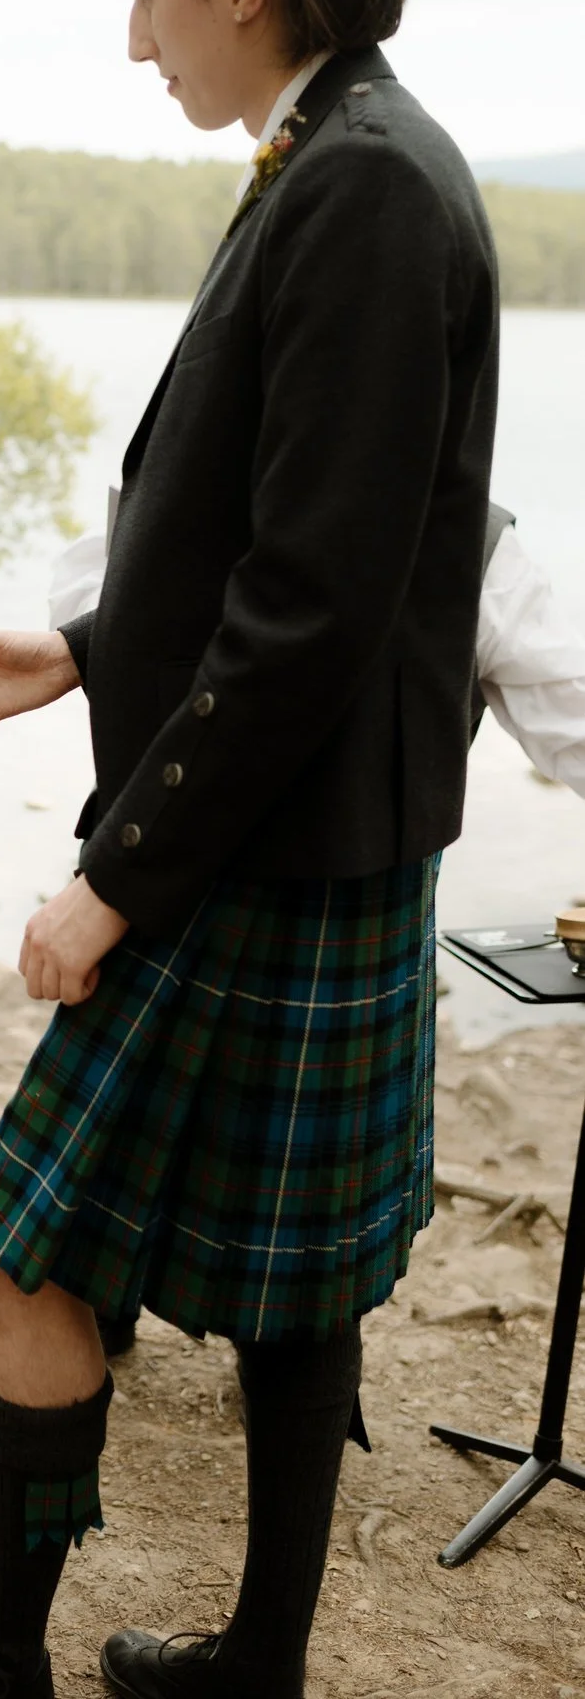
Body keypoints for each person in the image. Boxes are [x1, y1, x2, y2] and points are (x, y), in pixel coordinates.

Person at [0, 0, 498, 1699]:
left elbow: (307, 608)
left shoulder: (365, 185)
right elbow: (265, 537)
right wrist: (76, 652)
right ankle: (256, 1668)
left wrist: (111, 881)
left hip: (259, 846)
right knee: (292, 1295)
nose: (133, 35)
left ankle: (5, 1654)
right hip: (299, 828)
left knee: (14, 1248)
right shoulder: (334, 151)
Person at [52, 501, 585, 1359]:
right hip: (166, 878)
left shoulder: (474, 543)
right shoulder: (171, 488)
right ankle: (107, 1314)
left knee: (297, 1224)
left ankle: (255, 1363)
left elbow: (573, 717)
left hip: (314, 926)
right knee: (119, 1149)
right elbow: (90, 628)